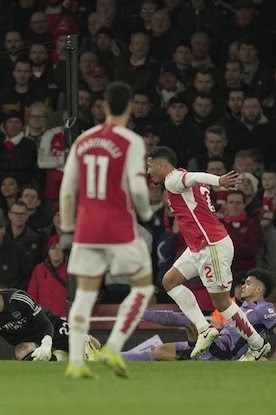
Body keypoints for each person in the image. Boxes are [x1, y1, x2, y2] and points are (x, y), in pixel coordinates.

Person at [59, 81, 155, 379]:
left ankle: (76, 363)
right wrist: (147, 212)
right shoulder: (131, 141)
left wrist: (66, 227)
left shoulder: (83, 140)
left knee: (85, 296)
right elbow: (138, 189)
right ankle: (113, 346)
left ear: (103, 106)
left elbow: (66, 190)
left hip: (86, 230)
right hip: (119, 228)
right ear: (128, 107)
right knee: (143, 287)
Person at [147, 146, 271, 361]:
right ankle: (204, 329)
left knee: (222, 303)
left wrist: (219, 181)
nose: (148, 172)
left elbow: (194, 177)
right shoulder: (179, 181)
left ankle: (258, 345)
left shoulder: (173, 179)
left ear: (161, 165)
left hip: (211, 245)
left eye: (150, 167)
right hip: (198, 246)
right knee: (169, 281)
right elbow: (193, 180)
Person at [122, 268, 276, 361]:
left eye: (248, 284)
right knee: (158, 351)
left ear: (259, 289)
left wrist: (272, 361)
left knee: (188, 320)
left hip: (223, 350)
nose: (243, 287)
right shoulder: (240, 307)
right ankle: (103, 358)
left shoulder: (263, 308)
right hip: (214, 345)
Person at [0, 275, 99, 361]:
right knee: (21, 352)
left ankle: (80, 344)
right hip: (31, 341)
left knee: (93, 350)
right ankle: (59, 357)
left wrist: (46, 345)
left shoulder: (18, 298)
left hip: (53, 329)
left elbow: (46, 324)